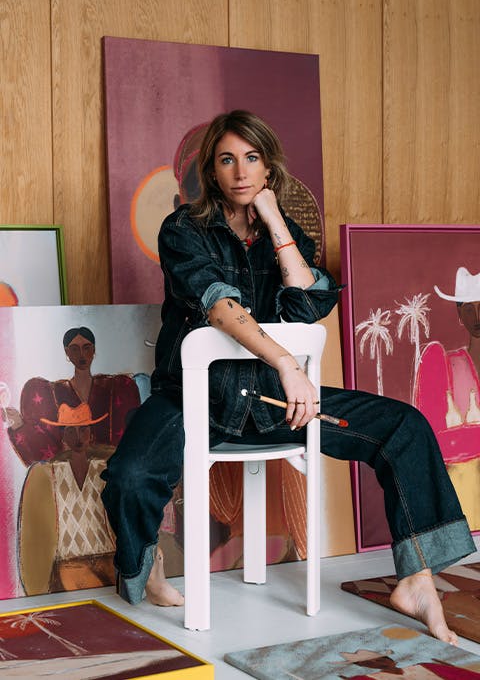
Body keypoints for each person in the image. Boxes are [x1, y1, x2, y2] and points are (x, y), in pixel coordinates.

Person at [101, 110, 476, 644]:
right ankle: (146, 563)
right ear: (211, 170)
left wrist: (275, 220)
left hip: (276, 403)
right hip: (194, 399)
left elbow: (308, 303)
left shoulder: (284, 231)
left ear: (268, 167)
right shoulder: (182, 230)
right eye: (227, 159)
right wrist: (285, 362)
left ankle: (417, 580)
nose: (240, 171)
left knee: (405, 427)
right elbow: (218, 305)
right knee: (130, 477)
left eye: (251, 158)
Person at [18, 403, 116, 594]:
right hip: (70, 563)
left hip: (109, 557)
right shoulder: (49, 473)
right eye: (71, 431)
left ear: (91, 433)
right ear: (63, 436)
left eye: (83, 429)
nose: (78, 437)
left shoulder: (105, 467)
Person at [7, 326, 141, 465]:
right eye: (75, 349)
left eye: (86, 348)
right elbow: (43, 449)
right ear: (67, 352)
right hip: (67, 469)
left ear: (93, 350)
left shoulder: (113, 388)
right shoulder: (53, 392)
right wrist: (18, 424)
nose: (81, 354)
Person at [413, 267, 480, 529]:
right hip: (464, 494)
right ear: (459, 314)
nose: (477, 317)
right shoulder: (444, 364)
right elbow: (434, 441)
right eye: (469, 309)